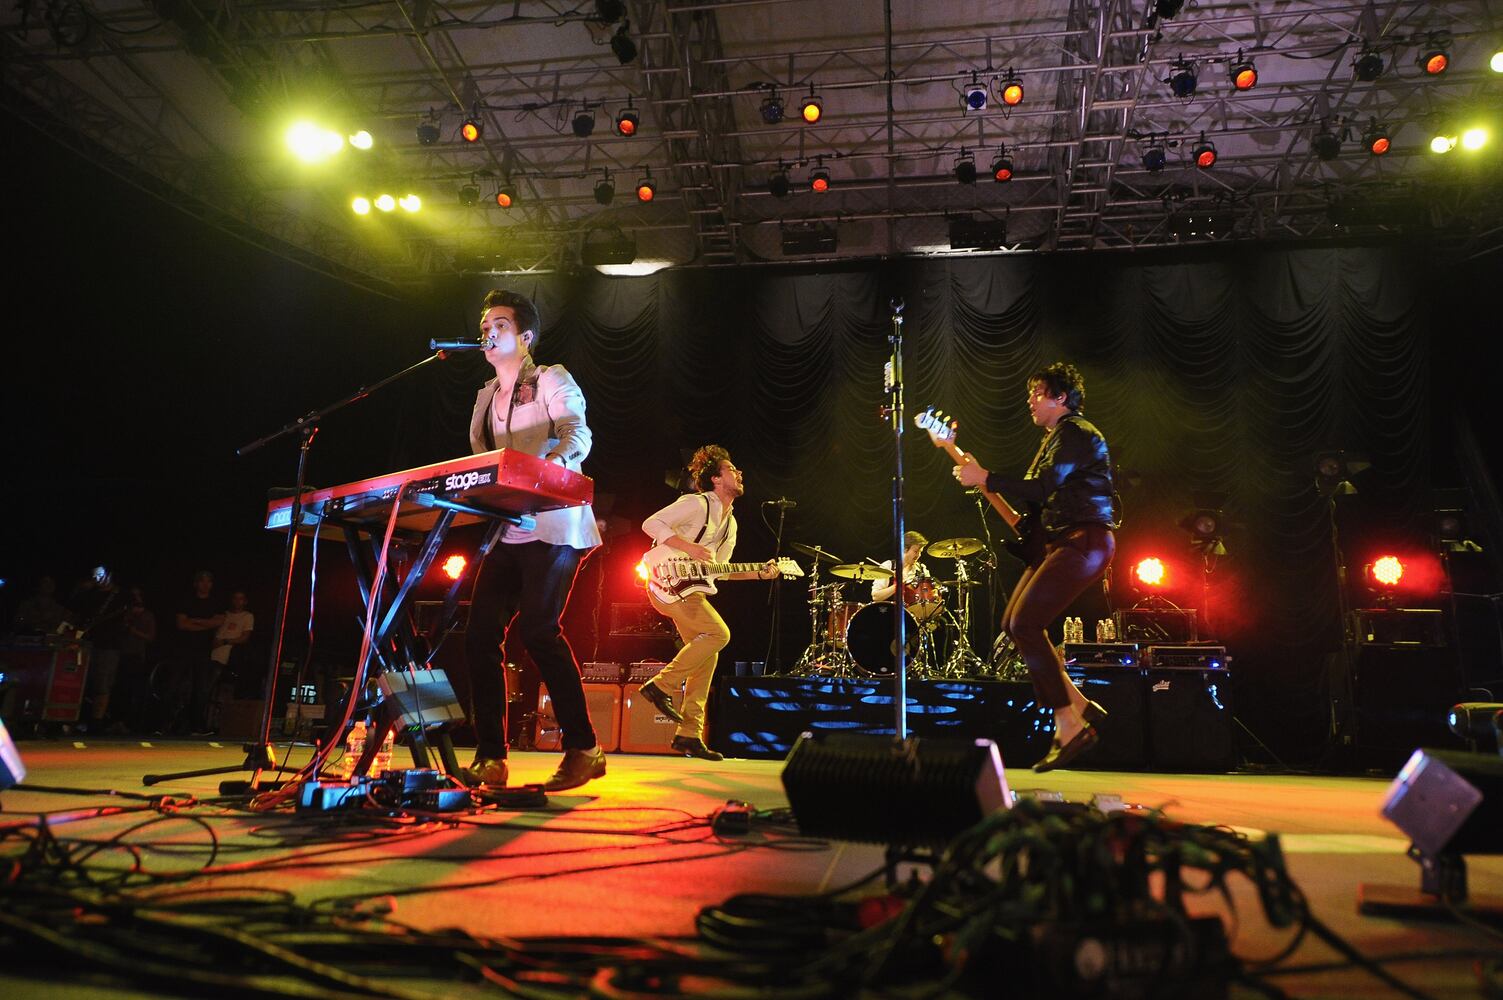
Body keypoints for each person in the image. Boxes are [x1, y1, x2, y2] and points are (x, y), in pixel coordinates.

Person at [460, 289, 605, 792]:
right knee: (479, 635)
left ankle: (584, 748)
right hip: (508, 529)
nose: (488, 331)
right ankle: (490, 757)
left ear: (525, 337)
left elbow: (577, 434)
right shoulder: (485, 396)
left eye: (499, 324)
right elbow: (483, 464)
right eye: (484, 325)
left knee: (539, 631)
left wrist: (544, 474)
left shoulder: (551, 378)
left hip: (555, 523)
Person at [956, 362, 1118, 772]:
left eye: (1037, 393)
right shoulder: (1055, 439)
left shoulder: (1076, 433)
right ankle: (1081, 705)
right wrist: (981, 478)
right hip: (1062, 541)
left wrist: (986, 476)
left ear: (1060, 397)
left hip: (1084, 540)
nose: (1029, 400)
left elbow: (1043, 487)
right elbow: (1034, 503)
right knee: (1013, 625)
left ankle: (1069, 724)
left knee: (1026, 623)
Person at [637, 445, 778, 762]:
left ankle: (689, 735)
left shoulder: (731, 524)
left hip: (692, 591)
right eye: (731, 469)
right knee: (719, 634)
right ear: (715, 478)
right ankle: (660, 686)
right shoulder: (696, 503)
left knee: (706, 657)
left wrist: (758, 574)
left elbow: (720, 571)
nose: (739, 473)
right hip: (666, 581)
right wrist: (689, 547)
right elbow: (651, 524)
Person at [174, 570, 224, 735]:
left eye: (208, 581)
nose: (205, 584)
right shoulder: (186, 601)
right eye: (202, 581)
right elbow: (182, 624)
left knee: (201, 688)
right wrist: (206, 624)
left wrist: (195, 621)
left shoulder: (215, 602)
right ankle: (171, 724)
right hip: (184, 648)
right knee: (178, 684)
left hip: (204, 650)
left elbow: (218, 622)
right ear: (196, 583)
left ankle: (196, 725)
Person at [870, 530, 930, 603]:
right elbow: (876, 597)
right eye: (916, 551)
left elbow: (928, 595)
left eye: (920, 552)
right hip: (892, 609)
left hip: (916, 610)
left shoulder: (922, 569)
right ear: (904, 549)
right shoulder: (888, 566)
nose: (918, 555)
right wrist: (898, 585)